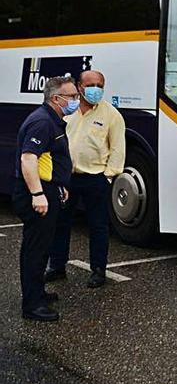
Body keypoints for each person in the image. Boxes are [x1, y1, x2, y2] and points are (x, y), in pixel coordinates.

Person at [45, 70, 125, 288]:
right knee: (60, 223)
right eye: (91, 85)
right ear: (79, 87)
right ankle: (57, 266)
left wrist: (108, 177)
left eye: (100, 85)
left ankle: (98, 270)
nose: (96, 89)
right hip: (67, 177)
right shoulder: (67, 111)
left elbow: (118, 149)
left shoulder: (111, 115)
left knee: (98, 226)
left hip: (96, 179)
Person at [14, 77, 76, 321]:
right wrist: (38, 194)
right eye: (71, 97)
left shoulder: (52, 119)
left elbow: (49, 160)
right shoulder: (42, 122)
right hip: (36, 193)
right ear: (56, 98)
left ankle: (37, 292)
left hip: (49, 189)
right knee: (35, 249)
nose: (75, 101)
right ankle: (32, 305)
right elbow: (28, 159)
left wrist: (60, 186)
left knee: (42, 247)